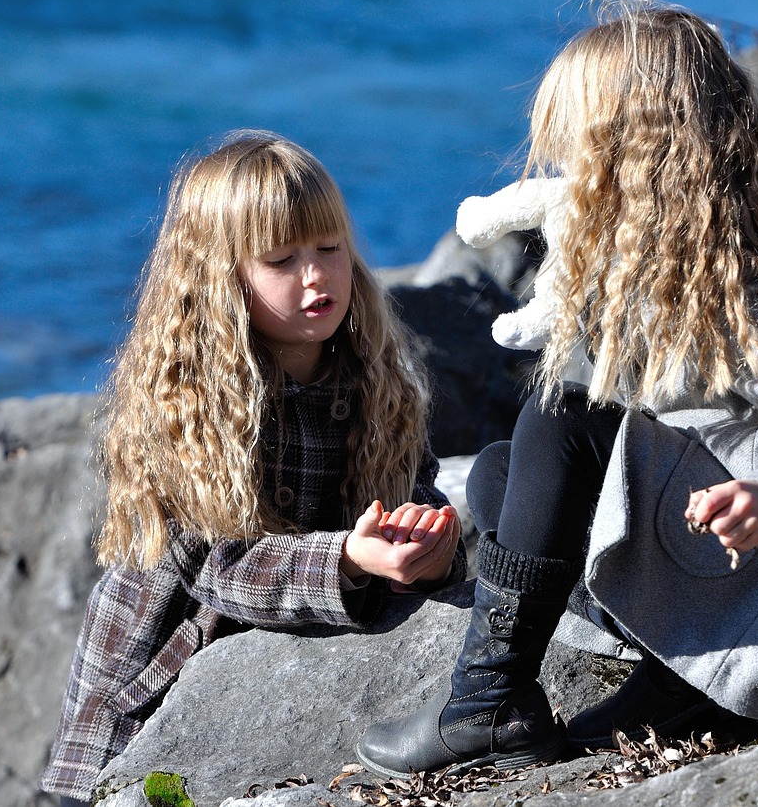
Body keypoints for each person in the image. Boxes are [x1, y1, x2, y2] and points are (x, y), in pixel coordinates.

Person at [356, 0, 758, 777]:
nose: (569, 176)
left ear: (647, 158)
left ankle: (488, 700)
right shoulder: (662, 264)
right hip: (730, 574)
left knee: (560, 420)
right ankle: (681, 673)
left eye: (582, 153)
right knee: (499, 477)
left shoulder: (739, 286)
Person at [40, 130, 464, 806]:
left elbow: (415, 489)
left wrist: (428, 547)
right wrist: (347, 559)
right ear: (221, 278)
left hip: (279, 679)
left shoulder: (378, 380)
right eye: (281, 259)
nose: (315, 275)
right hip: (146, 688)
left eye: (330, 248)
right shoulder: (189, 402)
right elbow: (220, 566)